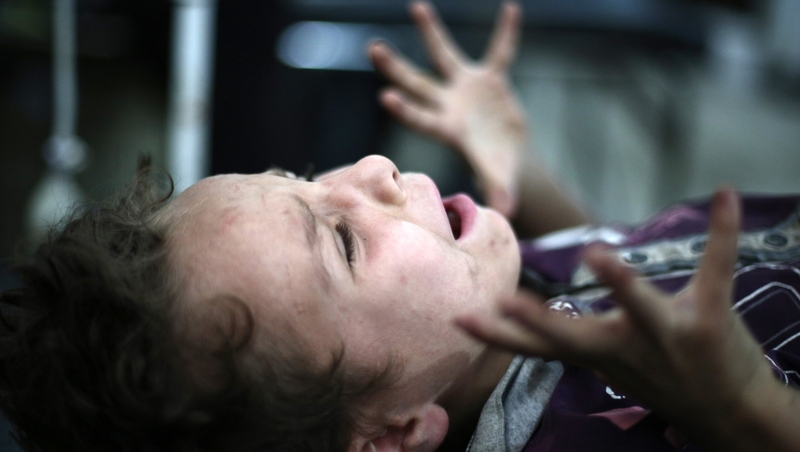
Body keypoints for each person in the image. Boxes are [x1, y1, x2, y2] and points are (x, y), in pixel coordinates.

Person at [0, 2, 798, 452]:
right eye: (342, 241)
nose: (373, 172)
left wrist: (527, 178)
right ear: (389, 436)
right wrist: (744, 413)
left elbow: (614, 270)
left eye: (304, 181)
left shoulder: (510, 313)